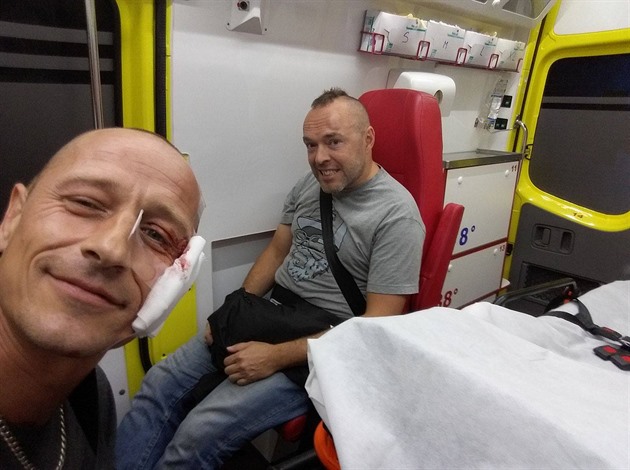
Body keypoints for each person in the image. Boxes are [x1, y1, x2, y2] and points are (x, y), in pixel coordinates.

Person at [116, 88, 425, 469]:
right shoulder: (309, 186)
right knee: (158, 386)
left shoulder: (397, 216)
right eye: (310, 145)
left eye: (333, 142)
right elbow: (277, 252)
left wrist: (276, 357)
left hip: (327, 344)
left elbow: (377, 324)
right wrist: (233, 311)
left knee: (200, 431)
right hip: (272, 315)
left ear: (368, 138)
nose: (319, 158)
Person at [0, 128, 202, 469]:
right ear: (12, 218)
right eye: (85, 203)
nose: (112, 249)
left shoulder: (92, 395)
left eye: (156, 235)